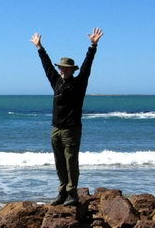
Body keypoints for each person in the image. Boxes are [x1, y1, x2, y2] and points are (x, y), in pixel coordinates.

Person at [31, 28, 103, 206]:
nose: (63, 70)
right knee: (59, 162)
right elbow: (47, 66)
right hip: (55, 129)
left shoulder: (79, 83)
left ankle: (72, 194)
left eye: (66, 68)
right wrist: (40, 48)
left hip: (71, 129)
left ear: (72, 70)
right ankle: (62, 191)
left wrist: (93, 46)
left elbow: (87, 66)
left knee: (71, 162)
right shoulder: (56, 82)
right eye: (61, 68)